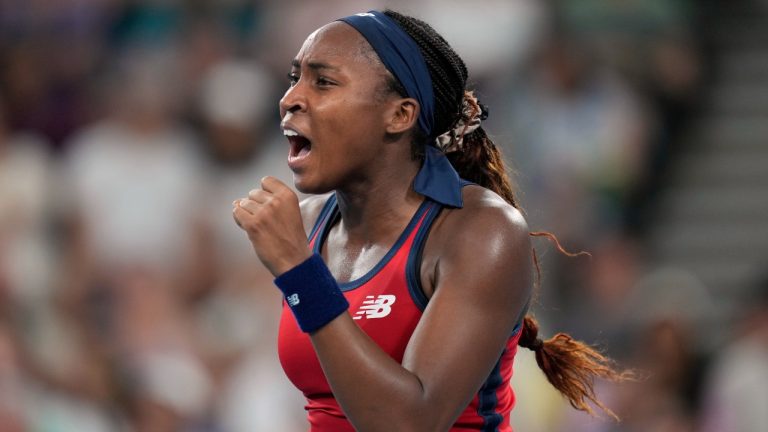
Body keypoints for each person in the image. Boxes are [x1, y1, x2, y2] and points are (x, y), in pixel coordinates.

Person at [233, 9, 628, 431]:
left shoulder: (480, 232)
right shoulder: (307, 225)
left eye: (323, 81)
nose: (290, 97)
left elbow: (411, 423)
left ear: (399, 115)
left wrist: (299, 272)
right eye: (295, 78)